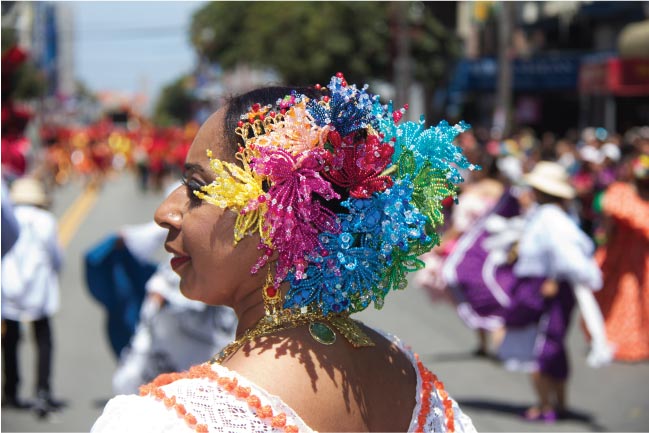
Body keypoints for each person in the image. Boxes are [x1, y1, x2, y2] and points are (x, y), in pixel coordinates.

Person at [92, 74, 477, 432]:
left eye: (196, 188)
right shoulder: (413, 383)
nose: (164, 213)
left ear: (280, 212)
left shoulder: (162, 422)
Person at [497, 161, 611, 423]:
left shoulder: (550, 217)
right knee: (552, 345)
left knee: (542, 346)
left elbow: (565, 254)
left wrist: (553, 277)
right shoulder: (553, 215)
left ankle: (546, 404)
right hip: (548, 286)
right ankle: (557, 403)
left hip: (547, 288)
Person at [1, 177, 64, 417]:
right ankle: (43, 390)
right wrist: (56, 271)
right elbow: (55, 255)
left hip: (9, 281)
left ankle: (10, 390)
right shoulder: (46, 220)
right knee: (43, 337)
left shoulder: (8, 218)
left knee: (11, 338)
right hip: (38, 283)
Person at [593, 154, 649, 361]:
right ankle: (616, 338)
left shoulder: (627, 197)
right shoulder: (621, 194)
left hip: (641, 260)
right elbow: (608, 218)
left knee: (637, 298)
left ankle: (636, 341)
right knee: (621, 296)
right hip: (620, 256)